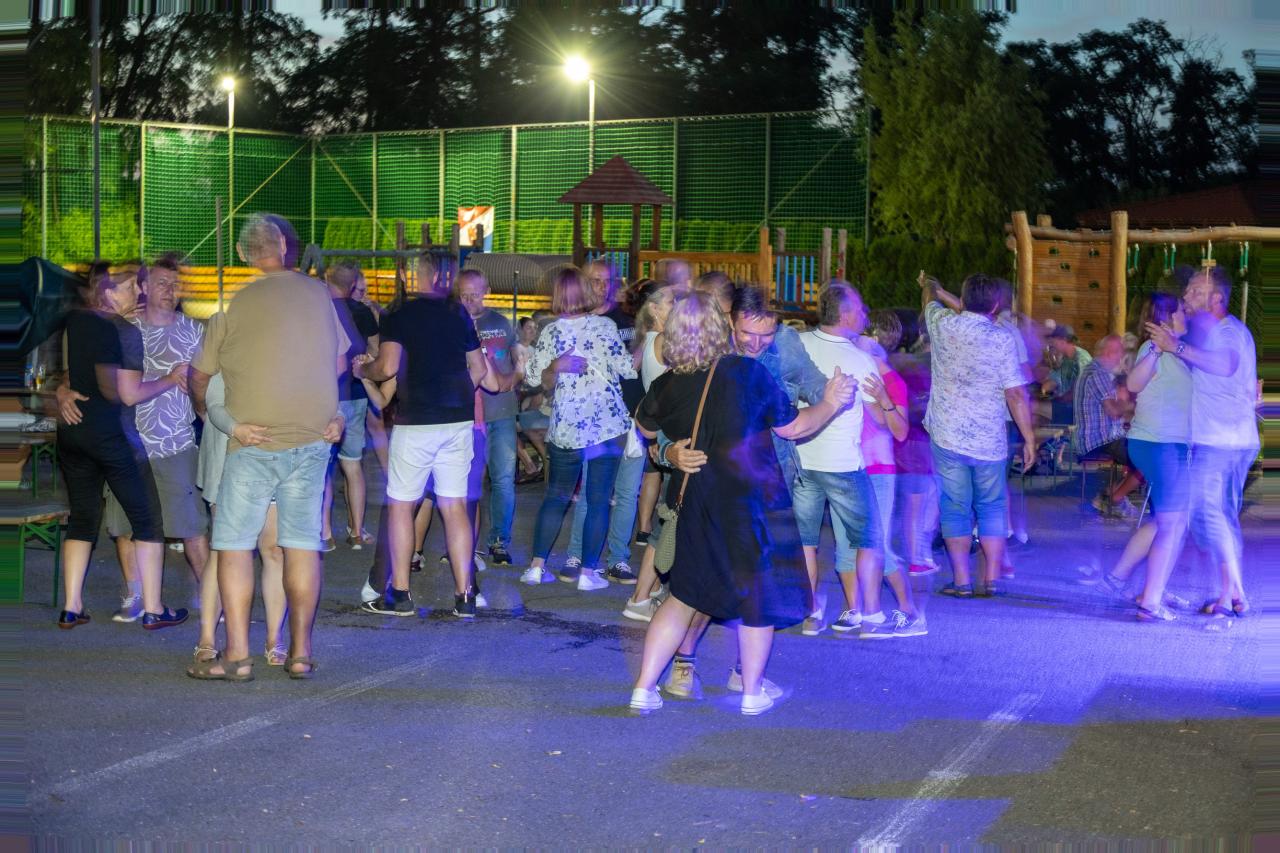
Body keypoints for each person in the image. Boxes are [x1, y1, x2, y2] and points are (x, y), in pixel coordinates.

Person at [629, 292, 855, 716]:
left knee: (682, 596)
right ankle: (751, 693)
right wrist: (831, 402)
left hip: (696, 501)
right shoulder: (747, 373)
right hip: (751, 501)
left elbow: (644, 427)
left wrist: (669, 450)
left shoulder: (667, 384)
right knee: (757, 597)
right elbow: (793, 428)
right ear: (724, 328)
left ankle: (643, 688)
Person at [189, 214, 349, 680]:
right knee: (300, 546)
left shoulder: (235, 302)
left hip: (253, 442)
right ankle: (299, 653)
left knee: (234, 546)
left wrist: (207, 410)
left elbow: (200, 375)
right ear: (282, 245)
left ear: (243, 254)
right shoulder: (319, 294)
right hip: (311, 441)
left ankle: (237, 656)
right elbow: (340, 363)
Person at [357, 252, 497, 619]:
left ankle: (400, 594)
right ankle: (465, 596)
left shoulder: (399, 314)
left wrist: (364, 371)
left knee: (402, 505)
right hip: (457, 420)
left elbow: (387, 366)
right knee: (454, 507)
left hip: (416, 420)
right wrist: (458, 395)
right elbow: (479, 368)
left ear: (415, 275)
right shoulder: (458, 313)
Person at [54, 266, 188, 631]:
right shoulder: (124, 330)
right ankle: (154, 609)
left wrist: (62, 392)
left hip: (73, 433)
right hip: (111, 437)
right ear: (109, 293)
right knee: (147, 521)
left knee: (83, 518)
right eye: (130, 287)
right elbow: (128, 394)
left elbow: (72, 374)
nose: (139, 293)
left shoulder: (77, 322)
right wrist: (170, 379)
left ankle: (71, 607)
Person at [89, 256, 209, 623]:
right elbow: (93, 377)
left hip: (176, 444)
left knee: (192, 528)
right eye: (161, 283)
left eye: (176, 284)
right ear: (143, 287)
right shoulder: (125, 329)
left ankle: (212, 596)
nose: (171, 290)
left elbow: (213, 384)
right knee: (125, 526)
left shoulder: (195, 331)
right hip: (129, 445)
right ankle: (135, 596)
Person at [1146, 266, 1257, 619]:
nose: (1186, 296)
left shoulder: (1229, 332)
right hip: (1226, 439)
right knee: (1216, 514)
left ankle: (1231, 593)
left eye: (1195, 291)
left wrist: (1176, 346)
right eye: (1188, 290)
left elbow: (1225, 365)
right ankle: (1233, 593)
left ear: (1216, 298)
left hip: (1222, 441)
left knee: (1209, 513)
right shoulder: (1212, 332)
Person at [792, 283, 898, 640]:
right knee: (869, 539)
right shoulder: (859, 360)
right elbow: (880, 420)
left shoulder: (798, 345)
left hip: (802, 459)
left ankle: (811, 613)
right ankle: (871, 615)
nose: (864, 315)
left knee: (806, 541)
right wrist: (884, 400)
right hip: (843, 466)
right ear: (846, 314)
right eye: (861, 310)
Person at [919, 273, 1036, 597]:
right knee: (992, 507)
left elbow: (929, 303)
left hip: (947, 434)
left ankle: (961, 581)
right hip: (989, 439)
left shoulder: (942, 324)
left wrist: (931, 287)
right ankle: (991, 579)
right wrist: (1028, 437)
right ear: (996, 305)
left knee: (954, 507)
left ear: (963, 299)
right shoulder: (1002, 339)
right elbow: (1015, 393)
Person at [520, 267, 636, 590]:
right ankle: (587, 574)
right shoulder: (606, 327)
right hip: (605, 427)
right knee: (598, 500)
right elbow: (627, 369)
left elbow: (532, 378)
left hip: (566, 428)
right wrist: (646, 342)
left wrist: (554, 367)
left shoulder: (550, 332)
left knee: (556, 497)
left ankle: (536, 567)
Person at [1091, 294, 1191, 621]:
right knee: (1173, 523)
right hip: (1157, 444)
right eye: (1181, 311)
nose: (1187, 314)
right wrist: (1158, 349)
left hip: (1168, 444)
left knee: (1168, 520)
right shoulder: (1153, 348)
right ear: (1167, 317)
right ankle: (1151, 599)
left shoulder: (1178, 352)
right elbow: (1134, 383)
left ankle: (1122, 579)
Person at [189, 370, 291, 670]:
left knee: (274, 550)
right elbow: (206, 390)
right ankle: (207, 639)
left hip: (276, 451)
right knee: (224, 551)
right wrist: (228, 424)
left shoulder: (283, 344)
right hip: (227, 450)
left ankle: (274, 639)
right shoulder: (226, 342)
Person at [562, 261, 646, 584]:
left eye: (606, 280)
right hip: (595, 422)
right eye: (594, 280)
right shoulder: (576, 323)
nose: (601, 286)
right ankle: (578, 555)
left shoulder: (630, 319)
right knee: (591, 493)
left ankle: (618, 559)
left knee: (627, 494)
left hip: (632, 419)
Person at [455, 269, 520, 565]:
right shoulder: (453, 323)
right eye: (464, 295)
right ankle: (464, 544)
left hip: (502, 410)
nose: (470, 300)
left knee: (503, 479)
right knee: (469, 482)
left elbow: (518, 362)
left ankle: (499, 541)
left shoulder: (501, 323)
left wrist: (515, 376)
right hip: (468, 416)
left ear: (487, 291)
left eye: (475, 294)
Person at [322, 262, 380, 550]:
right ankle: (357, 531)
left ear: (327, 280)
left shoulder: (320, 310)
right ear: (353, 284)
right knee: (353, 465)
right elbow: (376, 351)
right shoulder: (363, 312)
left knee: (324, 468)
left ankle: (324, 534)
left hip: (326, 396)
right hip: (356, 394)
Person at [1074, 335, 1141, 519]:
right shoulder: (1098, 374)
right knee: (1149, 458)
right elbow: (1113, 410)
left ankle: (1109, 495)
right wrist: (1135, 405)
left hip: (1099, 439)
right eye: (1119, 352)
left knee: (1145, 453)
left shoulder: (1094, 371)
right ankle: (1115, 498)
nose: (1121, 358)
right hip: (1099, 441)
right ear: (1109, 352)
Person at [1040, 324, 1092, 422]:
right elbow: (1052, 381)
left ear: (1063, 341)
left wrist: (1059, 398)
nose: (1052, 344)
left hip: (1079, 409)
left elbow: (1081, 389)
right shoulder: (1064, 359)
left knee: (1034, 408)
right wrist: (1044, 389)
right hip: (1068, 406)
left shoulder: (1081, 358)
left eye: (1054, 341)